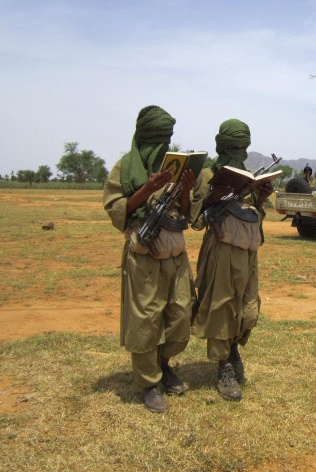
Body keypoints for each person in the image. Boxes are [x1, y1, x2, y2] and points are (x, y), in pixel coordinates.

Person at [103, 105, 196, 413]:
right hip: (142, 254)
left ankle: (164, 362)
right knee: (145, 319)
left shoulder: (175, 166)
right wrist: (148, 188)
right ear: (143, 136)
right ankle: (148, 382)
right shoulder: (124, 168)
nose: (163, 144)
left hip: (176, 253)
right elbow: (117, 209)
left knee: (182, 314)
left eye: (167, 137)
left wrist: (185, 190)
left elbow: (185, 212)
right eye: (158, 138)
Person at [189, 118, 273, 401]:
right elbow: (196, 221)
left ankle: (233, 347)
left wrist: (260, 196)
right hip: (221, 250)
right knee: (221, 307)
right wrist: (215, 198)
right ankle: (223, 365)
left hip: (249, 251)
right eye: (236, 147)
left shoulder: (246, 175)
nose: (241, 153)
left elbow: (257, 213)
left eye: (244, 147)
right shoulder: (208, 175)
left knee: (248, 309)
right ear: (223, 146)